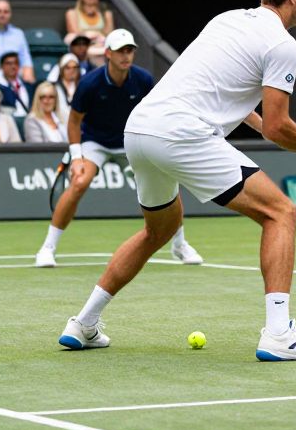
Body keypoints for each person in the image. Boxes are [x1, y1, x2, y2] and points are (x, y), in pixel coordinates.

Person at [57, 0, 296, 358]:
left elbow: (236, 100)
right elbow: (280, 127)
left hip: (140, 130)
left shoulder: (227, 21)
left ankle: (83, 323)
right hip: (182, 132)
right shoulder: (282, 45)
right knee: (281, 212)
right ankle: (279, 335)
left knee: (159, 229)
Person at [34, 30, 197, 268]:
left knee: (166, 183)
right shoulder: (89, 83)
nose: (126, 56)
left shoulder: (142, 79)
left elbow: (154, 115)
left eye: (129, 50)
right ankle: (47, 248)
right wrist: (77, 157)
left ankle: (180, 245)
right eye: (120, 51)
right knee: (79, 182)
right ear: (108, 54)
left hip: (130, 141)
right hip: (95, 142)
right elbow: (74, 122)